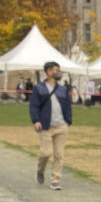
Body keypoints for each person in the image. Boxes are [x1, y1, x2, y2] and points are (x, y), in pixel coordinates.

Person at [29, 61, 72, 190]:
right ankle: (40, 171)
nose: (58, 72)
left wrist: (68, 121)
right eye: (55, 70)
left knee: (59, 155)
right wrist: (36, 120)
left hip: (61, 126)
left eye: (59, 70)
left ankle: (55, 180)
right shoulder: (39, 88)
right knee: (46, 153)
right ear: (48, 72)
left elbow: (68, 107)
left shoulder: (63, 89)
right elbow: (34, 106)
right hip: (45, 126)